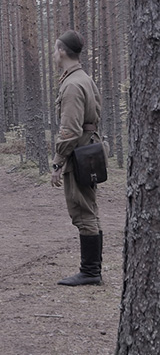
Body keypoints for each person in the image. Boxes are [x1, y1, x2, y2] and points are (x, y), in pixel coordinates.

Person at [50, 30, 103, 286]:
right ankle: (91, 270)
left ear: (61, 50)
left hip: (79, 153)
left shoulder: (72, 85)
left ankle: (90, 272)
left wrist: (58, 162)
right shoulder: (84, 78)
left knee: (82, 210)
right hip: (88, 150)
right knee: (89, 207)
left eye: (54, 48)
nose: (53, 53)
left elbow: (70, 129)